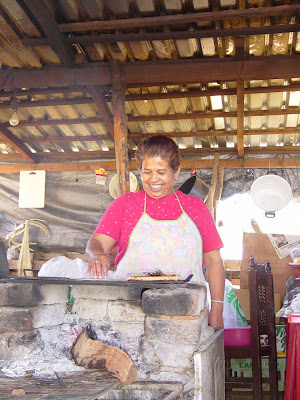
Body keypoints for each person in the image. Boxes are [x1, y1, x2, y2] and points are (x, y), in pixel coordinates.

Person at [86, 135, 225, 329]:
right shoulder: (125, 204)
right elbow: (96, 242)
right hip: (129, 312)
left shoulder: (196, 208)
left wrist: (217, 310)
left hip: (186, 314)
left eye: (162, 172)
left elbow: (214, 261)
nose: (153, 179)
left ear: (176, 171)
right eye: (147, 172)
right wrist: (98, 254)